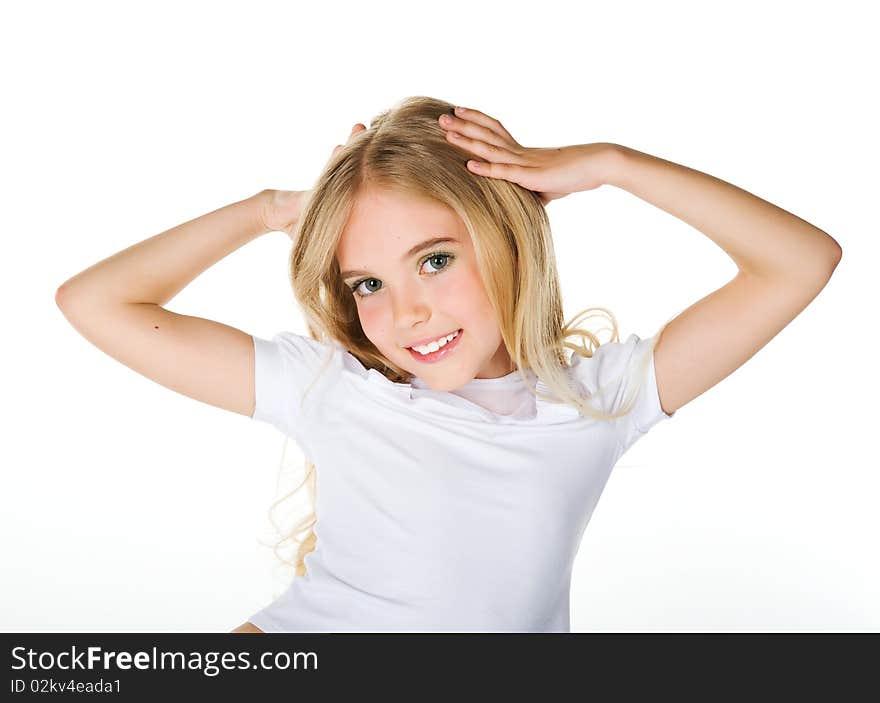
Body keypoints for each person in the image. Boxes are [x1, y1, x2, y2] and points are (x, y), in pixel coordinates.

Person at [56, 96, 842, 633]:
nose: (406, 312)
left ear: (501, 236)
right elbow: (96, 302)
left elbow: (800, 262)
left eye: (433, 260)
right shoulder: (331, 388)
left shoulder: (599, 402)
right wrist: (272, 211)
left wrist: (611, 163)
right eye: (368, 282)